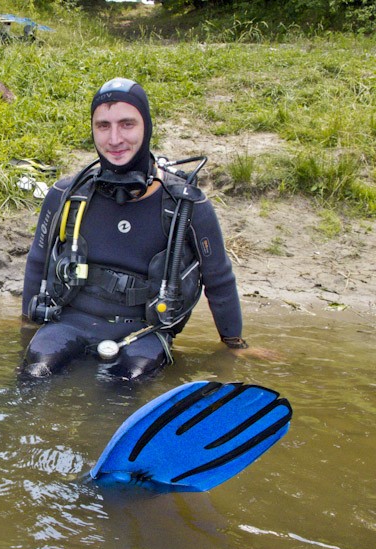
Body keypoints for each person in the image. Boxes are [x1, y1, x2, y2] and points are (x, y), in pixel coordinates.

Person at [21, 77, 249, 380]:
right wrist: (26, 326)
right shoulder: (67, 195)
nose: (114, 139)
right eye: (103, 126)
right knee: (32, 377)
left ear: (147, 127)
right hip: (67, 323)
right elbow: (38, 261)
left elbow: (218, 279)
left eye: (127, 124)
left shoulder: (185, 205)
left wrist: (235, 346)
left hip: (144, 334)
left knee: (123, 388)